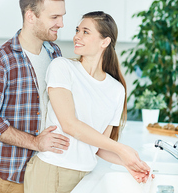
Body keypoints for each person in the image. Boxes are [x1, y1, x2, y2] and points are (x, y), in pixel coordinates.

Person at [24, 11, 152, 193]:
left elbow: (100, 146)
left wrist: (129, 163)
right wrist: (122, 149)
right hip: (52, 171)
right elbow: (69, 124)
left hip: (86, 176)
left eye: (86, 32)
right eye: (78, 30)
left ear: (104, 42)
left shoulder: (117, 89)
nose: (77, 36)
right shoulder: (62, 67)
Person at [0, 0, 70, 193]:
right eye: (54, 17)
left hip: (46, 171)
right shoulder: (0, 60)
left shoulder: (54, 53)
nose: (61, 24)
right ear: (31, 16)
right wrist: (36, 143)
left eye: (62, 16)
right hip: (10, 175)